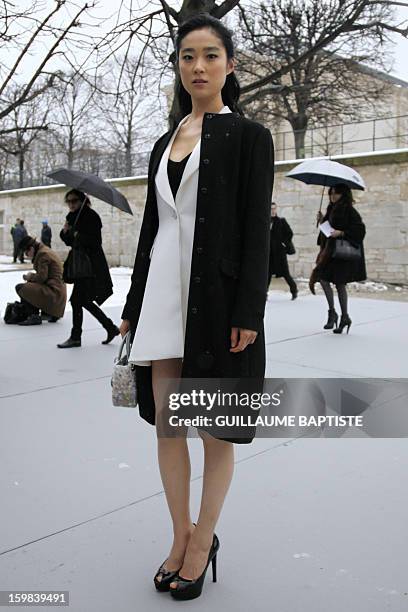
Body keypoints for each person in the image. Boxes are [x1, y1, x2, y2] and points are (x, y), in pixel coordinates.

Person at [120, 14, 274, 601]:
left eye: (211, 55)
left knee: (214, 430)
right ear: (179, 66)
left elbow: (255, 233)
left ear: (229, 65)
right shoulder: (166, 139)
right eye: (188, 56)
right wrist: (133, 303)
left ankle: (203, 538)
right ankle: (178, 533)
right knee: (168, 426)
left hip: (215, 301)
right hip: (163, 295)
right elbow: (152, 231)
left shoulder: (249, 137)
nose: (199, 66)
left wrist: (248, 312)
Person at [57, 189, 119, 348]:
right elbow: (70, 242)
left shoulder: (92, 217)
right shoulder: (72, 217)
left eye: (74, 201)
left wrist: (78, 235)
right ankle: (110, 327)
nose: (71, 204)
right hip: (79, 265)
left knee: (78, 300)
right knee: (82, 300)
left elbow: (95, 242)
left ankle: (76, 337)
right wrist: (65, 233)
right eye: (68, 201)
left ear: (82, 200)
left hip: (90, 265)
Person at [311, 183, 366, 334]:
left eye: (336, 193)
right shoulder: (331, 208)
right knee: (322, 279)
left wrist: (341, 233)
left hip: (341, 254)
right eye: (331, 193)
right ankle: (332, 313)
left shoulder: (349, 210)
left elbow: (360, 230)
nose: (332, 196)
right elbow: (329, 229)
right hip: (329, 252)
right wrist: (322, 220)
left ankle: (345, 317)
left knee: (340, 284)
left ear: (344, 194)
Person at [15, 236, 67, 325]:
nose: (26, 255)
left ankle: (33, 315)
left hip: (54, 294)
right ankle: (48, 313)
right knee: (30, 285)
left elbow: (41, 278)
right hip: (58, 294)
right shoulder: (44, 250)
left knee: (21, 287)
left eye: (26, 252)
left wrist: (30, 276)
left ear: (31, 249)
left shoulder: (43, 254)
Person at [267, 202, 298, 299]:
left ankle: (294, 290)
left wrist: (283, 243)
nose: (273, 211)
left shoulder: (281, 221)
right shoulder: (266, 222)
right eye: (271, 209)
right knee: (267, 274)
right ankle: (264, 294)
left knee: (285, 273)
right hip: (269, 253)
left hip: (280, 253)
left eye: (274, 208)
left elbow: (289, 233)